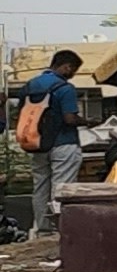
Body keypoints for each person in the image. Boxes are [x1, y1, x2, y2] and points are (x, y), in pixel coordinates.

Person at [16, 52, 88, 236]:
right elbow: (69, 119)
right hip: (64, 143)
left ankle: (43, 229)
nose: (72, 73)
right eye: (73, 69)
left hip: (37, 143)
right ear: (66, 66)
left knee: (40, 187)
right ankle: (60, 230)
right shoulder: (65, 88)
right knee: (61, 188)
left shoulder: (29, 86)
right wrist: (88, 122)